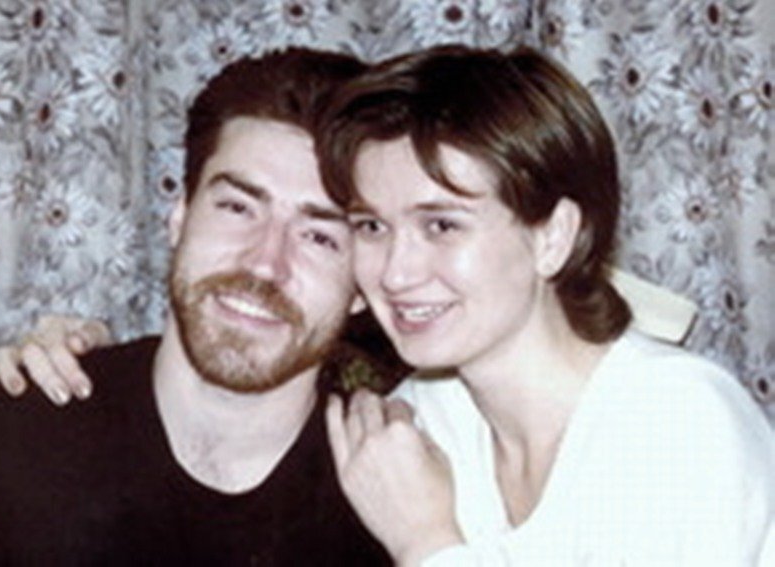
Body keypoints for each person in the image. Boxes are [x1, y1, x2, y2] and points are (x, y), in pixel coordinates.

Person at [316, 45, 775, 565]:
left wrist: (424, 540)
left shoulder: (674, 424)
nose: (396, 273)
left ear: (554, 237)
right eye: (371, 226)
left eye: (442, 225)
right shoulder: (421, 421)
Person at [0, 47, 390, 566]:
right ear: (179, 217)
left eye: (319, 237)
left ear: (362, 285)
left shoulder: (402, 506)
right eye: (237, 208)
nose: (265, 264)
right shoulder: (5, 438)